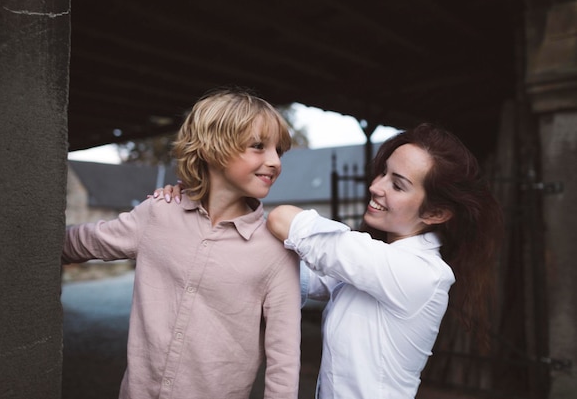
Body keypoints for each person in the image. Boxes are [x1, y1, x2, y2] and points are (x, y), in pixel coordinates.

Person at [157, 123, 504, 398]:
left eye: (397, 185)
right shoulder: (376, 263)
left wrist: (228, 197)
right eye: (382, 172)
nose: (376, 186)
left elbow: (283, 220)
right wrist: (192, 208)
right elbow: (293, 278)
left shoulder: (418, 273)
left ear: (436, 212)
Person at [62, 88, 302, 399]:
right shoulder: (157, 214)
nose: (274, 162)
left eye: (278, 151)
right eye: (258, 146)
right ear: (212, 148)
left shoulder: (276, 250)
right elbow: (79, 243)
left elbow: (284, 359)